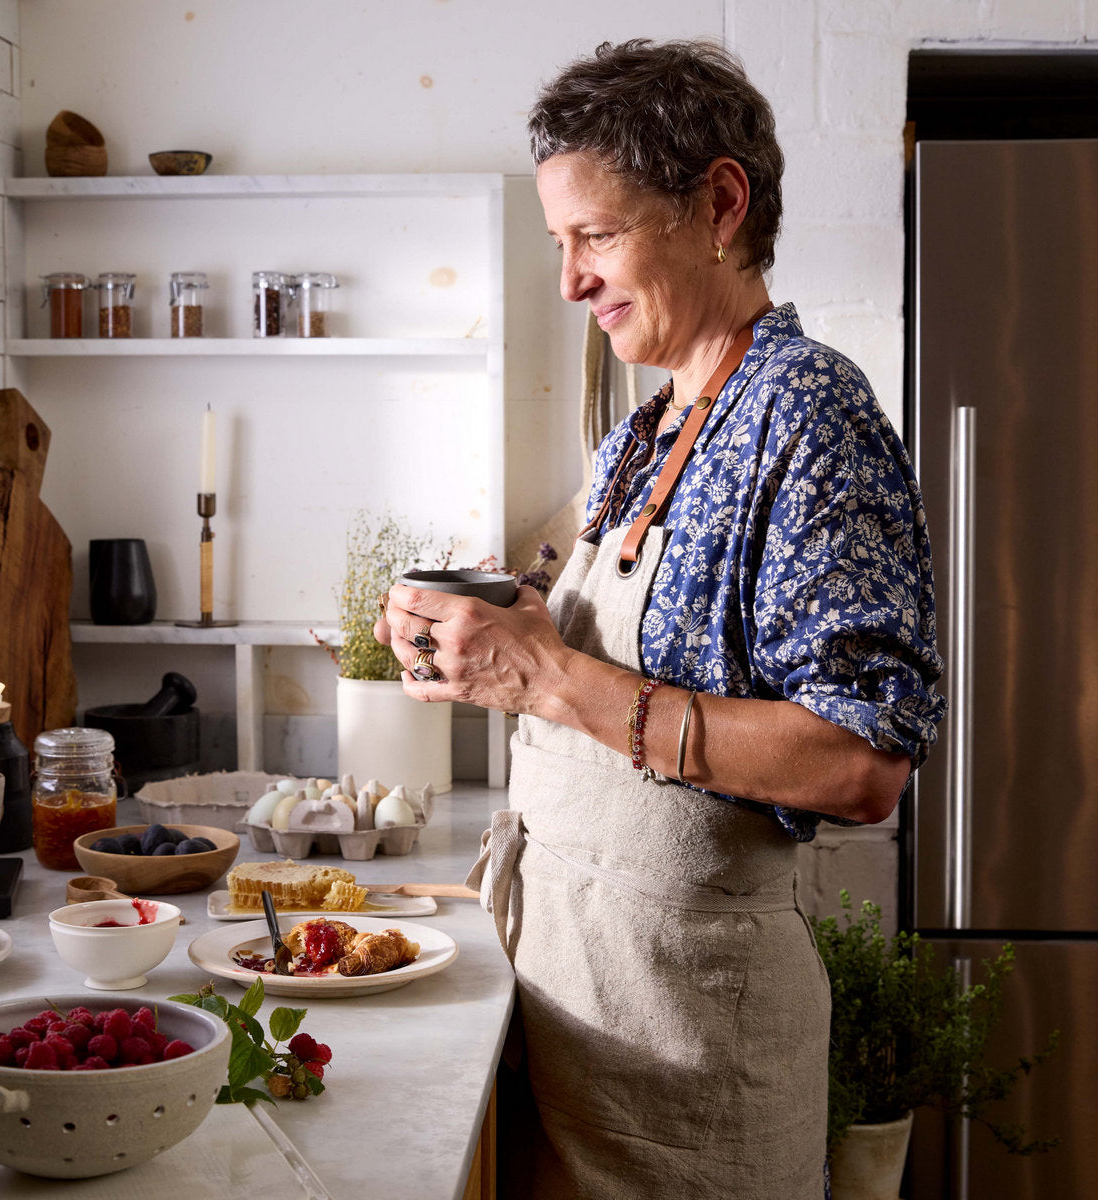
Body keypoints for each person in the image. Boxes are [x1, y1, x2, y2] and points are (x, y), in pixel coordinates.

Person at [377, 38, 946, 1200]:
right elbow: (582, 641)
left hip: (691, 1047)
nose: (571, 278)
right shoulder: (650, 425)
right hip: (576, 1006)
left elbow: (860, 760)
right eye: (560, 245)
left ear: (718, 204)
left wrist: (548, 681)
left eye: (597, 234)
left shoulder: (806, 413)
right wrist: (483, 641)